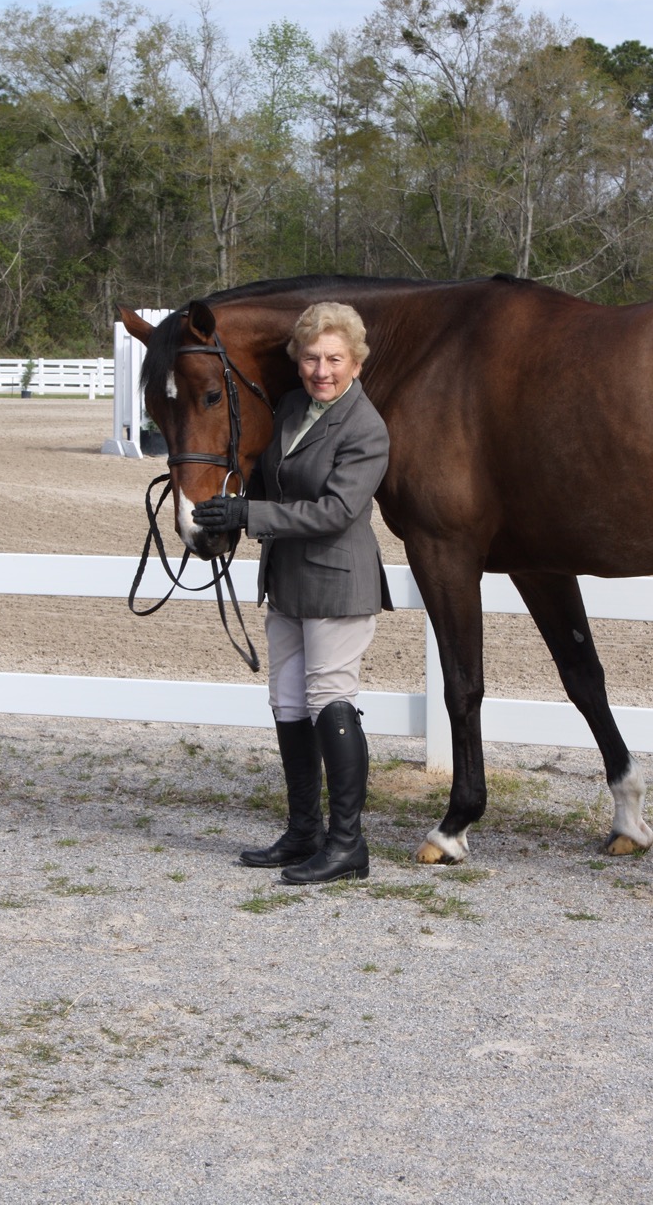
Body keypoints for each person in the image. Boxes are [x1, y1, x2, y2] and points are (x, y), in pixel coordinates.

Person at [193, 302, 392, 884]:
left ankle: (348, 844)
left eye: (334, 359)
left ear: (356, 363)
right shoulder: (289, 409)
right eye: (310, 358)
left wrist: (250, 515)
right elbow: (267, 476)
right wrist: (223, 503)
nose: (320, 370)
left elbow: (336, 511)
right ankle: (304, 830)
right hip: (285, 578)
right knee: (286, 701)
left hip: (336, 580)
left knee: (330, 699)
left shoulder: (365, 428)